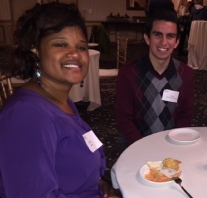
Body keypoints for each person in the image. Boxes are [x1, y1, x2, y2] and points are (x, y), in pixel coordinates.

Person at [0, 2, 116, 198]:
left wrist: (100, 183)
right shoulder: (27, 115)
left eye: (81, 46)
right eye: (61, 44)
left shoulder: (61, 100)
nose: (75, 53)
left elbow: (67, 164)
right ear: (35, 49)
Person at [115, 9, 195, 145]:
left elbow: (185, 115)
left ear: (176, 42)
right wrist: (143, 146)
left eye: (170, 36)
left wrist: (173, 143)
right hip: (136, 144)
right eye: (158, 35)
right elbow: (124, 119)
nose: (164, 42)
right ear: (147, 38)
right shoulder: (128, 73)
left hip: (172, 144)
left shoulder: (186, 74)